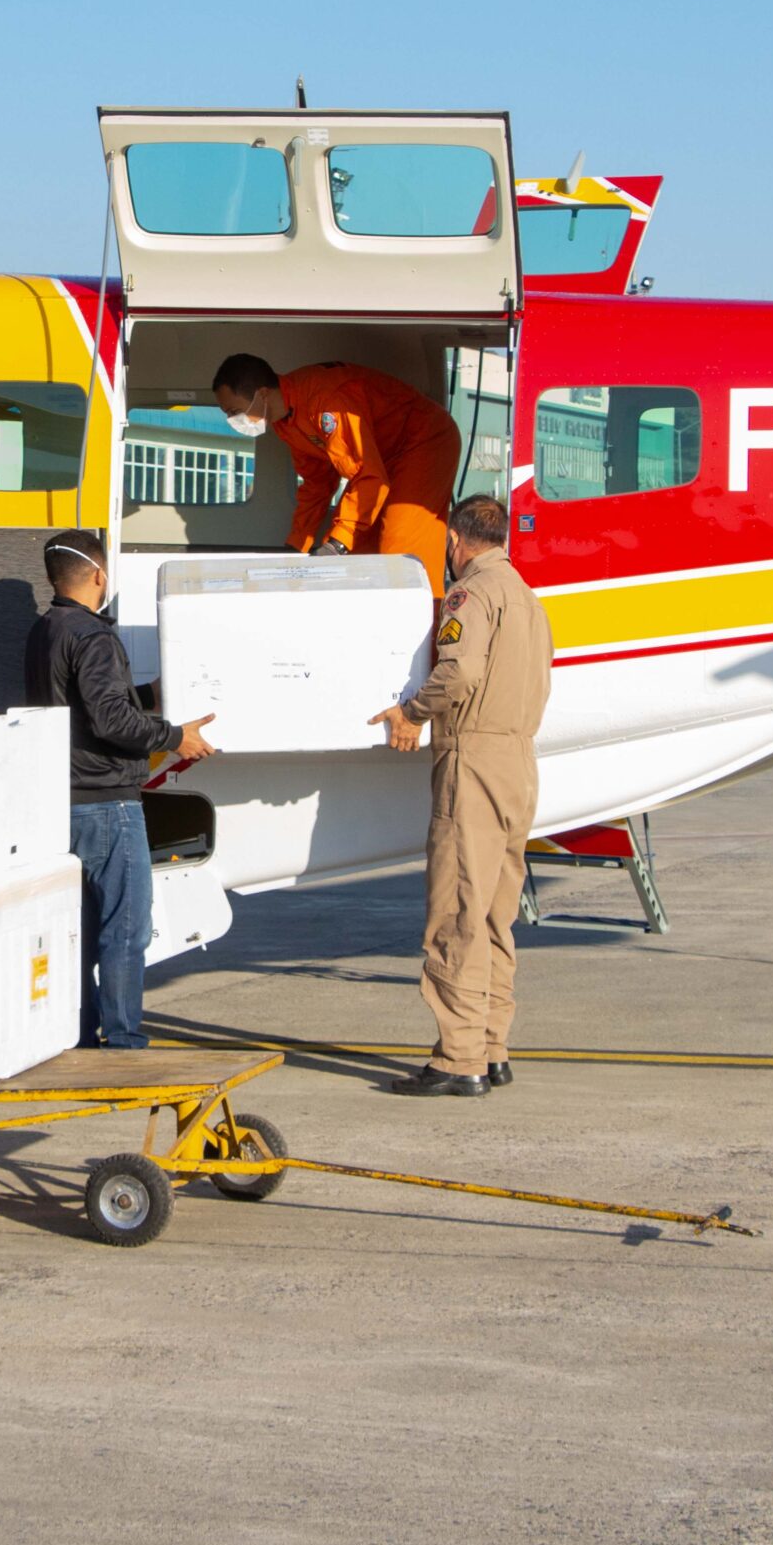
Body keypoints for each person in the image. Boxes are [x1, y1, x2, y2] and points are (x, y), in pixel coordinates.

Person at [369, 493, 553, 1097]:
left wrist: (411, 711)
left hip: (472, 757)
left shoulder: (469, 596)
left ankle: (459, 1057)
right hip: (519, 761)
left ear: (455, 541)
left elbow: (460, 672)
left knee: (455, 912)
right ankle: (492, 1046)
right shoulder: (528, 599)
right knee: (497, 911)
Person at [24, 530, 215, 1050]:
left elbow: (85, 704)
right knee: (125, 931)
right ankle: (124, 1038)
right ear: (100, 576)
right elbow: (110, 721)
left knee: (80, 931)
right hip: (108, 802)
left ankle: (79, 1035)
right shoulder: (94, 636)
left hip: (61, 801)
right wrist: (176, 737)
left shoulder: (46, 631)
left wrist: (149, 695)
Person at [211, 354, 464, 594]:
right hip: (380, 459)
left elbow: (367, 475)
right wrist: (297, 545)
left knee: (400, 555)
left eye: (234, 411)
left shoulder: (325, 402)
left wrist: (337, 544)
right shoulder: (286, 423)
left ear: (262, 394)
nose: (233, 420)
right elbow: (317, 483)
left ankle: (424, 633)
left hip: (423, 441)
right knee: (358, 557)